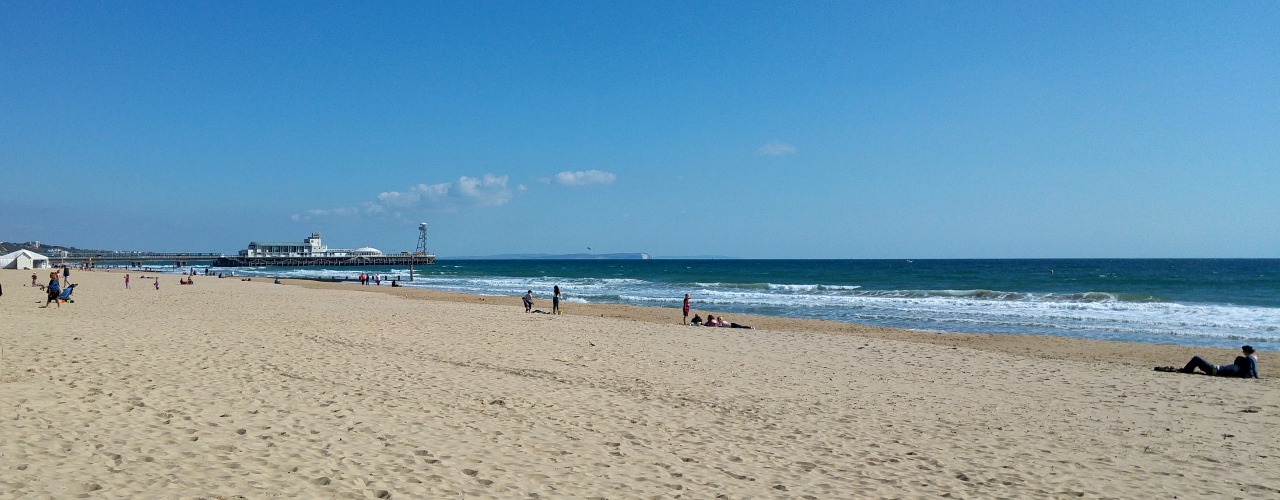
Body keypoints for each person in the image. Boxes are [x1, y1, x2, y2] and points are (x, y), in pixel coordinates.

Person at [1170, 346, 1259, 378]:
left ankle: (1186, 370)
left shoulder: (1236, 368)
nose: (1235, 361)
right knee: (1197, 360)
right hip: (1215, 370)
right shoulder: (1239, 368)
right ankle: (1187, 370)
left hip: (1214, 370)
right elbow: (1252, 366)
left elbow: (1228, 372)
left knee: (1197, 358)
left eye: (1236, 360)